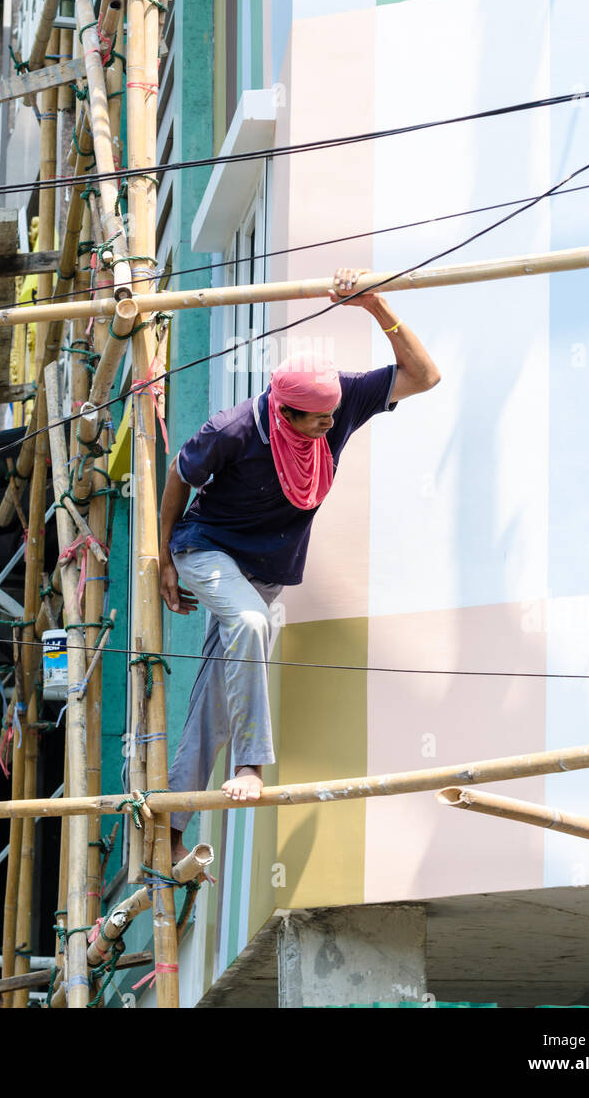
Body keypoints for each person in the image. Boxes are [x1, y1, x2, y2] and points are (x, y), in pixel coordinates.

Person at [158, 267, 441, 862]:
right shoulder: (233, 430)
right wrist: (163, 561)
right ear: (283, 413)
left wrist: (374, 306)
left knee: (217, 687)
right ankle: (251, 762)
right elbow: (177, 480)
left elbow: (425, 375)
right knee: (253, 625)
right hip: (204, 548)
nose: (329, 427)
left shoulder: (333, 401)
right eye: (315, 421)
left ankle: (172, 823)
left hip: (263, 569)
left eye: (334, 417)